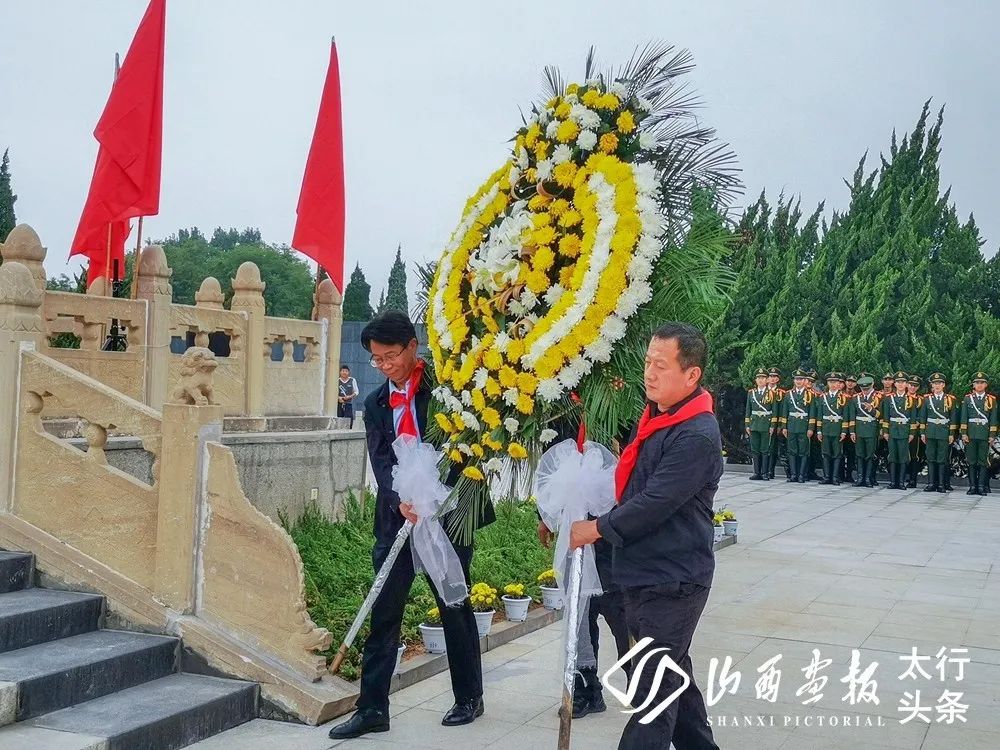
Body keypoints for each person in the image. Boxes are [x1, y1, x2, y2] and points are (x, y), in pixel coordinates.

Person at [329, 312, 493, 740]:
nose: (383, 366)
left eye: (390, 357)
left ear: (411, 347)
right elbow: (381, 461)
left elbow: (466, 444)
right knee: (385, 608)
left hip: (447, 513)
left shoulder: (447, 392)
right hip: (397, 516)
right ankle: (372, 709)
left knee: (453, 605)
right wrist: (402, 498)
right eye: (377, 360)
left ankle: (468, 697)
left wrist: (436, 495)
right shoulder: (375, 404)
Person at [569, 322, 721, 750]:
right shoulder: (658, 417)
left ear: (691, 376)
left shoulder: (696, 435)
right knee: (675, 684)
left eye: (661, 365)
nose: (649, 373)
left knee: (653, 699)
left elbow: (654, 503)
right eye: (648, 363)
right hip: (641, 574)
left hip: (673, 581)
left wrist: (596, 528)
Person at [959, 372, 997, 496]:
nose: (979, 385)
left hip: (984, 434)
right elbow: (964, 417)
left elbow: (993, 419)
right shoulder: (967, 398)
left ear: (985, 385)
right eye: (977, 383)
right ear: (973, 385)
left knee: (982, 461)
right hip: (970, 434)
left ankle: (981, 486)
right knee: (971, 461)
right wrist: (964, 433)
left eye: (981, 383)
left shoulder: (991, 399)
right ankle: (972, 486)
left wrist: (992, 435)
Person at [920, 372, 958, 493]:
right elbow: (922, 417)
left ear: (943, 385)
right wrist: (922, 433)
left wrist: (951, 434)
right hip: (930, 431)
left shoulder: (950, 399)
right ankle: (931, 483)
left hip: (943, 432)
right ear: (932, 385)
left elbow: (953, 418)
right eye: (934, 383)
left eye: (939, 383)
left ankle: (941, 484)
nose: (937, 386)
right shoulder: (927, 399)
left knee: (942, 458)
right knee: (931, 457)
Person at [880, 372, 918, 490]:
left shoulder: (911, 399)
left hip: (904, 430)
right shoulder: (888, 398)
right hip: (892, 429)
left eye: (903, 382)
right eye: (898, 382)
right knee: (892, 456)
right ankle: (893, 482)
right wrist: (885, 431)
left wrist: (912, 433)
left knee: (903, 456)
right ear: (894, 384)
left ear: (907, 384)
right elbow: (886, 416)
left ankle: (901, 482)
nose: (900, 384)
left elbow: (912, 418)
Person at [847, 373, 882, 487]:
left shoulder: (879, 397)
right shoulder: (855, 398)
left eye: (867, 388)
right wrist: (852, 431)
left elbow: (881, 415)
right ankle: (860, 478)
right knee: (860, 454)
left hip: (872, 428)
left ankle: (868, 478)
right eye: (863, 389)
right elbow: (852, 416)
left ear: (872, 385)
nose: (865, 391)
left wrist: (872, 410)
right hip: (859, 428)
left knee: (870, 454)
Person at [745, 368, 779, 481]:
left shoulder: (771, 393)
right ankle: (757, 472)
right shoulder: (751, 393)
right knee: (755, 449)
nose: (760, 380)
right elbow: (748, 410)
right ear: (756, 380)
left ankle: (765, 472)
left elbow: (774, 411)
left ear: (767, 380)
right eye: (758, 378)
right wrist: (747, 425)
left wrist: (772, 426)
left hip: (766, 424)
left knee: (765, 449)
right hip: (754, 424)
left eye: (763, 378)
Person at [815, 372, 849, 485]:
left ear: (839, 383)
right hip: (825, 428)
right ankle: (826, 476)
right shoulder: (823, 397)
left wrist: (844, 431)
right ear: (827, 383)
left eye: (835, 382)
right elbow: (819, 415)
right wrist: (819, 430)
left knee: (837, 454)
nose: (833, 384)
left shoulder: (844, 398)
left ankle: (835, 477)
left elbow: (845, 416)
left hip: (837, 428)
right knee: (825, 454)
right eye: (830, 382)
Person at [904, 376, 925, 488]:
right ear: (907, 384)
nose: (912, 387)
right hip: (900, 429)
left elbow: (922, 415)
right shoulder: (900, 396)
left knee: (914, 455)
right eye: (911, 384)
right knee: (900, 454)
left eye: (915, 385)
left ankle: (913, 479)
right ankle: (900, 478)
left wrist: (916, 423)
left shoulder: (921, 400)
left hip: (914, 431)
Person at [766, 367, 785, 480]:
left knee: (773, 448)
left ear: (778, 379)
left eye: (775, 377)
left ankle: (770, 471)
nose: (772, 379)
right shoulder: (762, 391)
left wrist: (780, 426)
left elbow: (783, 410)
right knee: (764, 448)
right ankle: (763, 470)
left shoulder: (781, 393)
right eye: (770, 377)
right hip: (763, 423)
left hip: (776, 425)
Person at [842, 375, 859, 483]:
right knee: (840, 452)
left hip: (853, 429)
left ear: (856, 384)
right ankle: (840, 474)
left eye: (853, 381)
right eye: (848, 381)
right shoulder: (841, 395)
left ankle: (849, 474)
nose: (850, 383)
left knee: (852, 453)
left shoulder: (857, 396)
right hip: (841, 428)